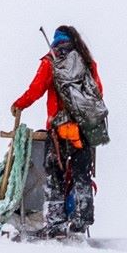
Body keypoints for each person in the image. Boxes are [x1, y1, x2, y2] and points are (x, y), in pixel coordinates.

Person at [10, 25, 103, 236]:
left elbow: (36, 89)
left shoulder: (52, 61)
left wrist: (19, 104)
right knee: (81, 174)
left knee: (55, 175)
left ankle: (55, 222)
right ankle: (82, 219)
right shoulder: (86, 61)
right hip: (85, 129)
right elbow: (98, 91)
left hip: (59, 129)